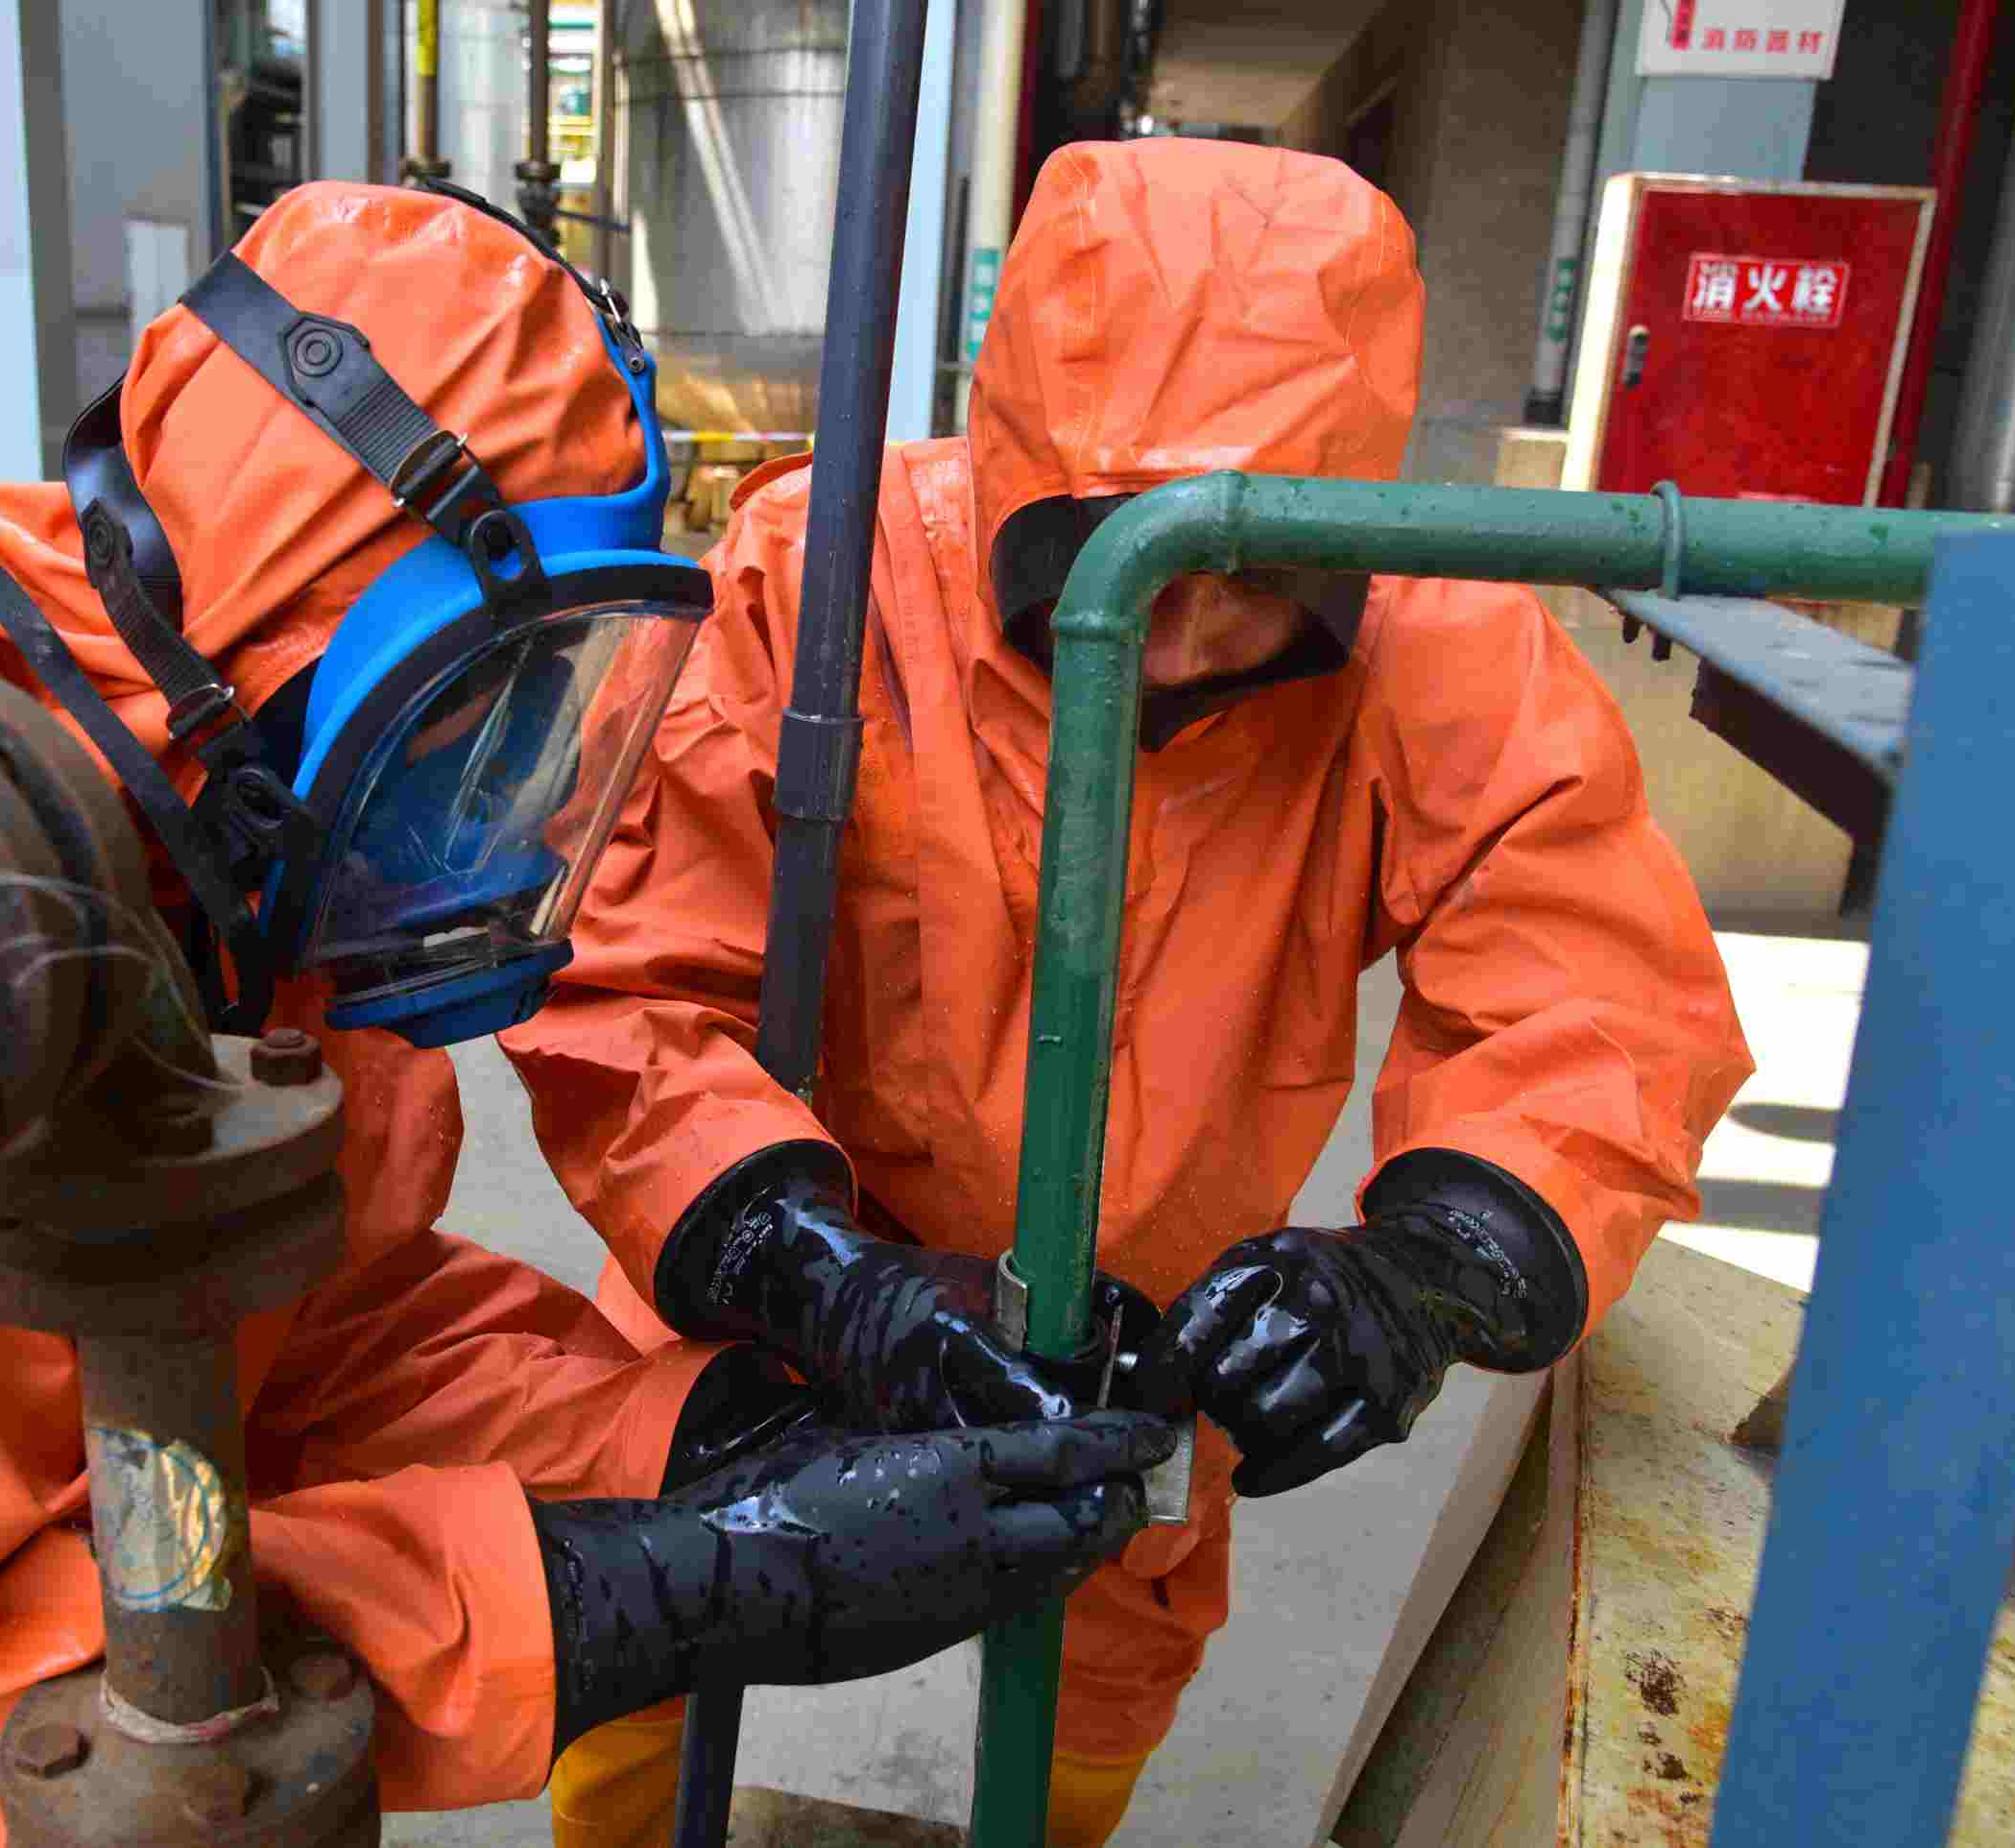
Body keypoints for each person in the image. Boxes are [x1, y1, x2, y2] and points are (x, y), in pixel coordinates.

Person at [0, 180, 1167, 1846]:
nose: (518, 805)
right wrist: (657, 1588)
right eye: (493, 708)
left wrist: (715, 1435)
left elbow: (297, 1352)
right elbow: (25, 1648)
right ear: (310, 626)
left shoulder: (221, 860)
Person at [502, 138, 1755, 1846]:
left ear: (1335, 534)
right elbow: (633, 974)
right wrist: (822, 1276)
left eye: (1251, 578)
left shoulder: (1436, 640)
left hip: (1146, 1299)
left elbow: (1595, 990)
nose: (1185, 637)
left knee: (1115, 1616)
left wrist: (1420, 1271)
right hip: (782, 1221)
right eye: (1129, 562)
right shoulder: (823, 575)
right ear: (1020, 475)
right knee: (659, 1524)